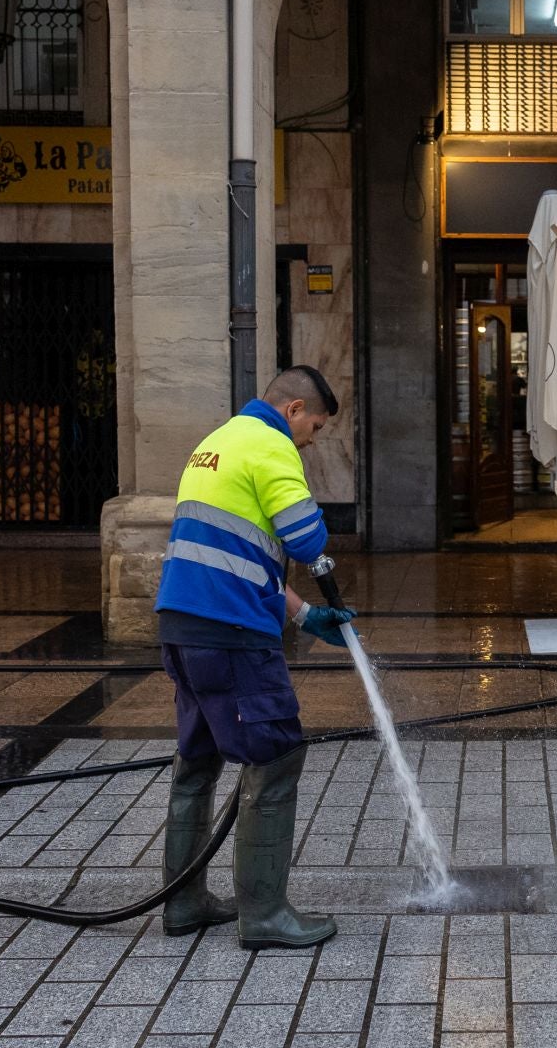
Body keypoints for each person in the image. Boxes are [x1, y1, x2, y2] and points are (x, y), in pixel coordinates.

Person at [153, 365, 356, 950]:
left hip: (185, 628)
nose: (312, 441)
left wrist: (303, 615)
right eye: (314, 427)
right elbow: (306, 539)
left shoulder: (216, 443)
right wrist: (313, 522)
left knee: (198, 758)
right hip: (232, 634)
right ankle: (265, 915)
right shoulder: (270, 445)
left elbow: (242, 556)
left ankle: (183, 903)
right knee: (276, 754)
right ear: (293, 410)